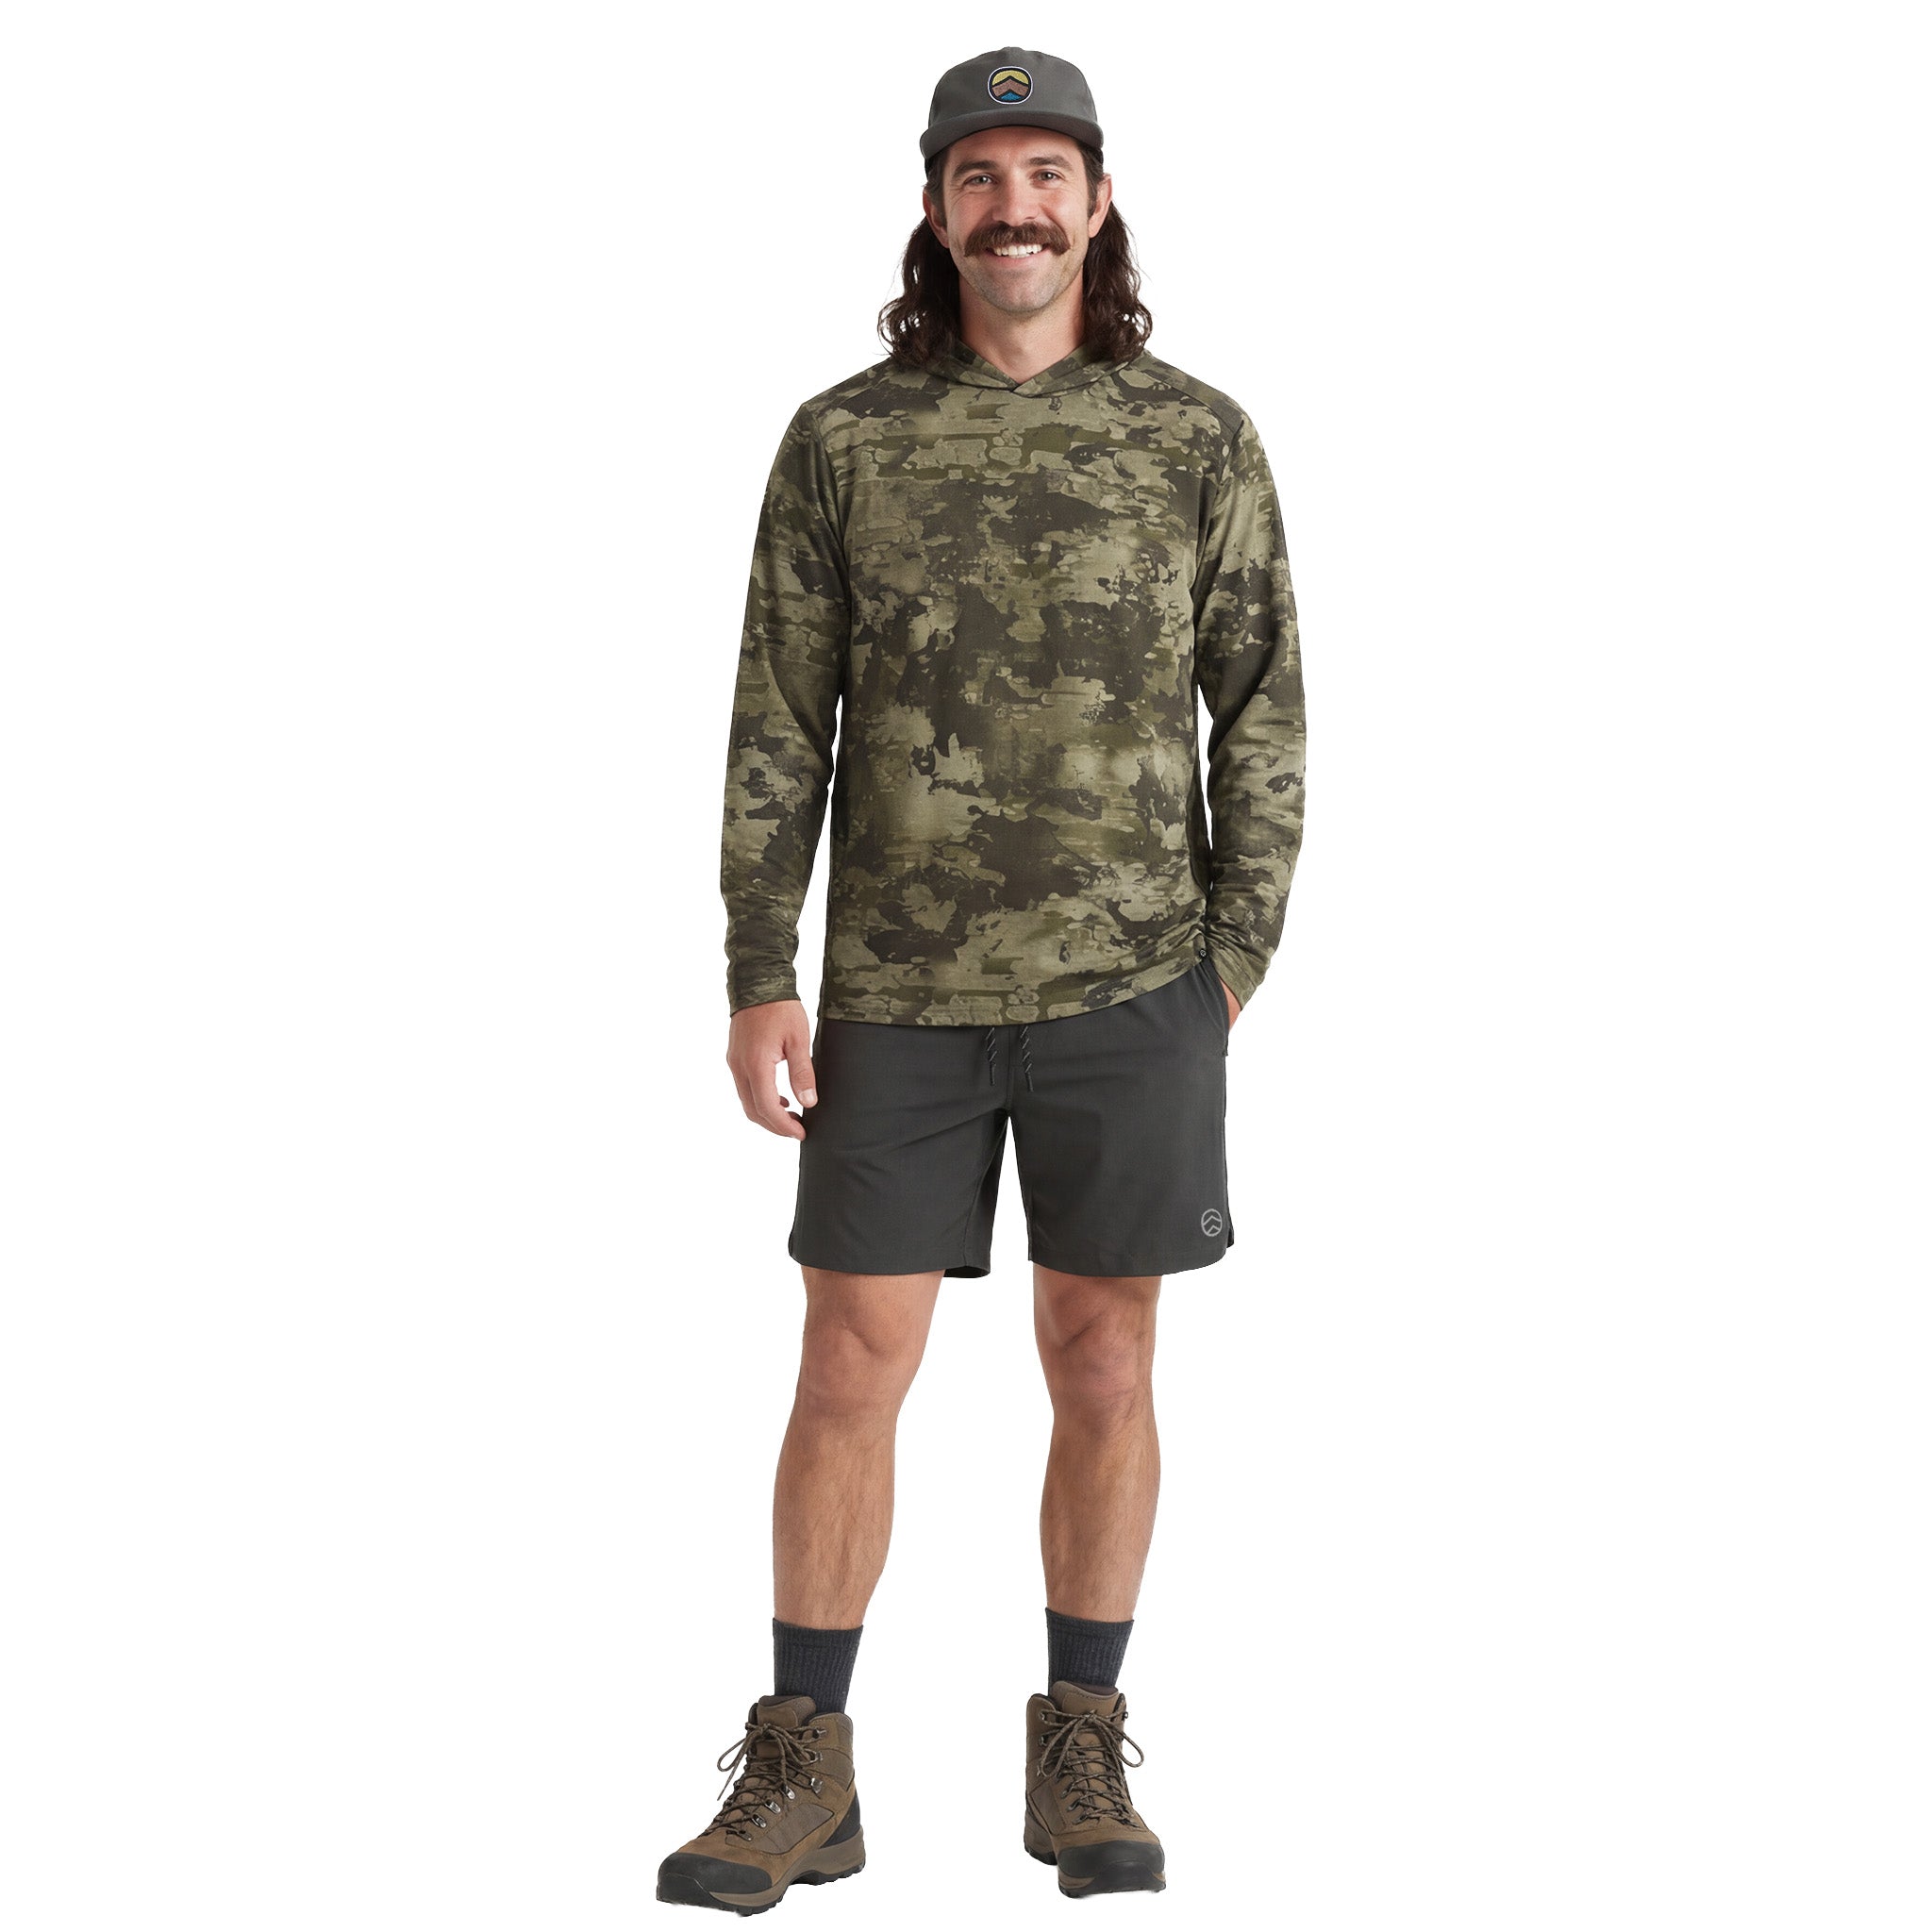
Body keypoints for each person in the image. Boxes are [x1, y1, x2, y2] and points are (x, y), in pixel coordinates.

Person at [657, 45, 1306, 1912]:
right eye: (978, 177)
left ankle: (1079, 1740)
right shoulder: (845, 439)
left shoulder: (1194, 437)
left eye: (1044, 174)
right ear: (937, 211)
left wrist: (1231, 956)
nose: (1012, 208)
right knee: (847, 1362)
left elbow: (1264, 705)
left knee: (1104, 1356)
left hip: (1135, 990)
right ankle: (805, 1762)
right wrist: (757, 969)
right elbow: (779, 719)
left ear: (1096, 204)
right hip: (895, 993)